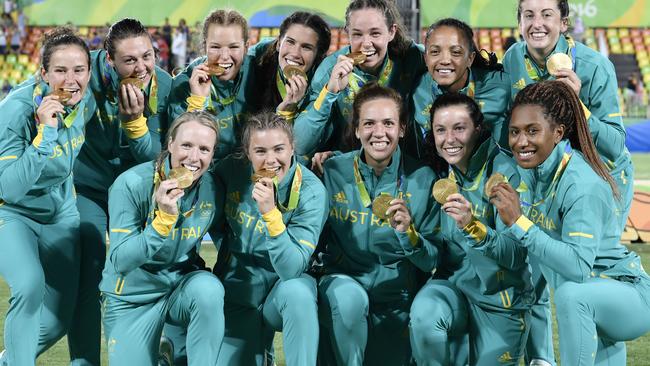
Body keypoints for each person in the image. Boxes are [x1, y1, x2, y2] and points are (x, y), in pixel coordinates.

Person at [502, 2, 634, 363]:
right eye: (528, 14)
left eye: (547, 14)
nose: (537, 23)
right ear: (519, 22)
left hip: (599, 183)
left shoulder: (593, 66)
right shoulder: (513, 58)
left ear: (563, 22)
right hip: (545, 179)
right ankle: (542, 359)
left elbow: (615, 144)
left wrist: (579, 104)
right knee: (536, 271)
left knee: (587, 281)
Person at [71, 17, 173, 365]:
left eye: (148, 55)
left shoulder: (166, 85)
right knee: (90, 265)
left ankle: (161, 349)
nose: (142, 67)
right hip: (91, 189)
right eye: (130, 60)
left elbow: (160, 159)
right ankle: (83, 360)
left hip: (134, 193)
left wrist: (135, 125)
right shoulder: (84, 79)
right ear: (109, 59)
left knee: (145, 265)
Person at [317, 83, 439, 365]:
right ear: (357, 129)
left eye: (388, 123)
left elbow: (431, 260)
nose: (379, 132)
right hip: (343, 291)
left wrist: (409, 235)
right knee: (348, 299)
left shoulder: (423, 178)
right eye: (369, 123)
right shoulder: (333, 170)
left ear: (402, 129)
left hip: (396, 301)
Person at [410, 93, 533, 366]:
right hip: (454, 292)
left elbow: (516, 254)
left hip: (500, 302)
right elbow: (435, 255)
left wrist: (473, 227)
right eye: (440, 130)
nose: (449, 139)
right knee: (424, 313)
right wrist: (409, 235)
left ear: (477, 129)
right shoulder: (444, 174)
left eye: (459, 128)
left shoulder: (506, 173)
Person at [0, 27, 96, 365]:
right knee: (29, 284)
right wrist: (45, 135)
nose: (71, 80)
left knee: (56, 320)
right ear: (43, 73)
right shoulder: (15, 111)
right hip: (12, 213)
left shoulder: (87, 96)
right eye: (60, 70)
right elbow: (9, 188)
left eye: (79, 70)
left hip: (61, 212)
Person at [100, 111, 225, 365]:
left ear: (212, 155)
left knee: (209, 290)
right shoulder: (131, 184)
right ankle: (162, 355)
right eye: (186, 145)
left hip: (181, 287)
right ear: (170, 145)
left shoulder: (213, 188)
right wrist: (162, 223)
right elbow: (121, 261)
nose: (193, 157)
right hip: (132, 295)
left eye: (204, 149)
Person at [211, 111, 328, 366]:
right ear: (247, 151)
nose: (271, 160)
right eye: (260, 151)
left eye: (279, 149)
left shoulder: (312, 191)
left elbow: (291, 268)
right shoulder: (230, 170)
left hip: (282, 289)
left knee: (298, 293)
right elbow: (212, 220)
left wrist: (270, 215)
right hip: (239, 290)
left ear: (292, 147)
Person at [293, 0, 427, 157]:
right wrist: (330, 91)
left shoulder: (413, 57)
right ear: (347, 33)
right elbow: (299, 145)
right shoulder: (330, 70)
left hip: (406, 169)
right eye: (357, 34)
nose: (366, 44)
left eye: (375, 33)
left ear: (391, 32)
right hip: (350, 170)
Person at [408, 18, 510, 160]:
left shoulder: (502, 85)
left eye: (455, 52)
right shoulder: (416, 88)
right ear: (426, 58)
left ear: (470, 58)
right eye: (435, 52)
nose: (444, 60)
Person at [168, 9, 256, 161]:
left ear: (246, 47)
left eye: (234, 47)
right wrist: (197, 102)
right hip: (206, 172)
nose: (224, 56)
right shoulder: (184, 84)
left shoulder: (258, 70)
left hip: (251, 170)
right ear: (205, 46)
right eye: (215, 47)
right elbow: (177, 149)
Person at [248, 11, 331, 124]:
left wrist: (287, 112)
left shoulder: (324, 83)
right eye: (290, 42)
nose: (295, 53)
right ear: (278, 43)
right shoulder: (258, 57)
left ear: (318, 55)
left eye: (306, 47)